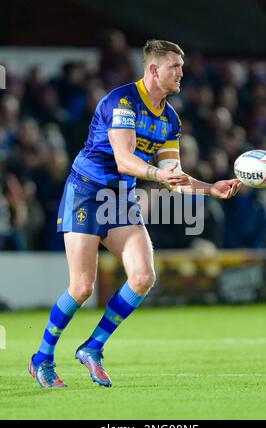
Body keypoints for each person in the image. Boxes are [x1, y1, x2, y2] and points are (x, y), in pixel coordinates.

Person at [28, 39, 241, 388]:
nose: (181, 73)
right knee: (82, 287)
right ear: (154, 69)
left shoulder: (170, 118)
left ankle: (93, 347)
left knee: (143, 277)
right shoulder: (122, 101)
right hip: (87, 192)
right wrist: (158, 175)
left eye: (182, 67)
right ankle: (42, 358)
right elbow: (126, 159)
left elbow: (174, 176)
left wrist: (210, 189)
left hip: (121, 197)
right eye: (175, 66)